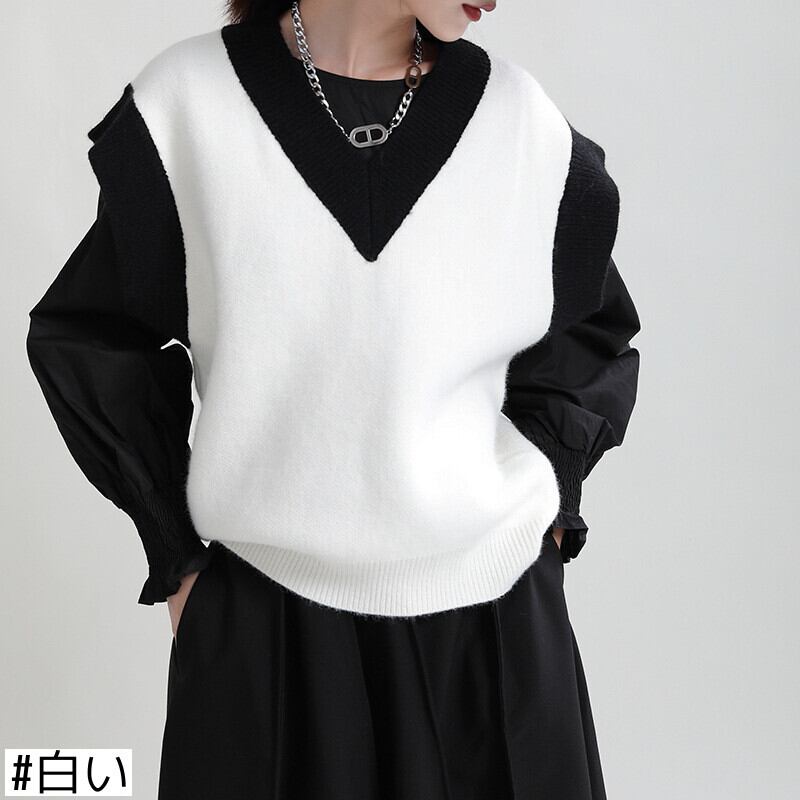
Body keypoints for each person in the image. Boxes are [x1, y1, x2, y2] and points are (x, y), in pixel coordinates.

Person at [26, 0, 641, 797]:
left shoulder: (520, 122)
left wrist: (550, 502)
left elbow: (586, 332)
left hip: (498, 640)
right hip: (269, 638)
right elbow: (93, 333)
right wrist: (176, 557)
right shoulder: (188, 107)